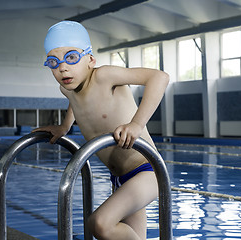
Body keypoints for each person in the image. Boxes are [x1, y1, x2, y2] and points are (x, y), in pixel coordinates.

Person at [34, 21, 169, 240]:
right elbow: (75, 102)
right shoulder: (67, 89)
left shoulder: (104, 76)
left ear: (90, 60)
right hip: (119, 177)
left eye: (71, 58)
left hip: (146, 171)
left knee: (100, 224)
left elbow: (159, 77)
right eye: (53, 62)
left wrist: (136, 124)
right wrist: (65, 126)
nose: (62, 68)